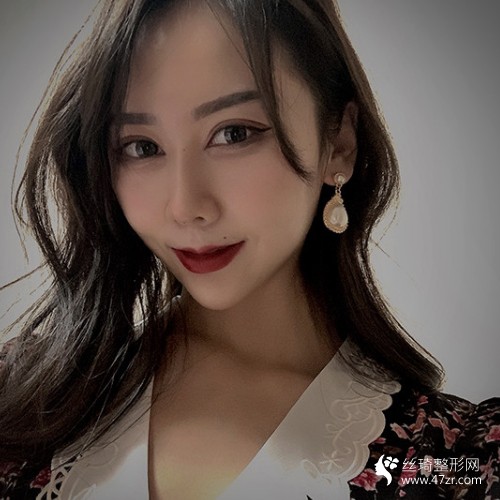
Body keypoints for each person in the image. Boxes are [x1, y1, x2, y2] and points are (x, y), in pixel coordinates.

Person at [0, 0, 498, 499]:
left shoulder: (455, 464)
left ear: (339, 143)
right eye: (141, 146)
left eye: (234, 134)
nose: (185, 207)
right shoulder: (22, 402)